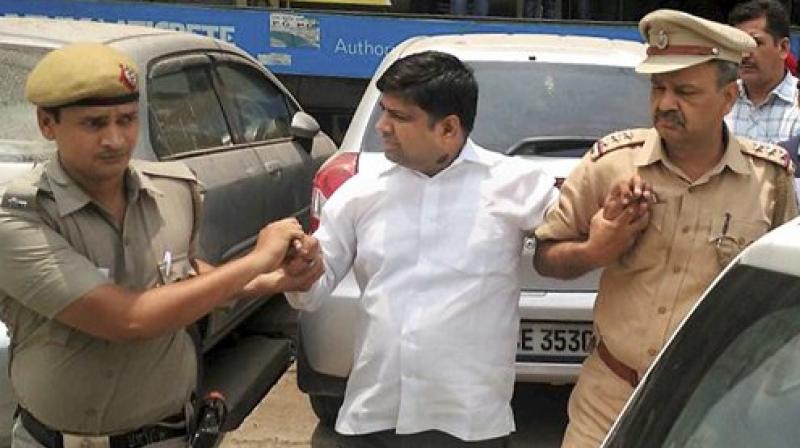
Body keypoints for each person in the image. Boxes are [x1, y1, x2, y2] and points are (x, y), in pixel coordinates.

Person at [0, 43, 321, 448]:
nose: (115, 139)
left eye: (127, 119)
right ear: (48, 124)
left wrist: (277, 280)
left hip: (166, 435)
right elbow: (127, 319)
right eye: (95, 124)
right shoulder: (21, 216)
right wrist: (257, 260)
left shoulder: (173, 191)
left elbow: (185, 276)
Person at [532, 9, 798, 447]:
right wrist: (594, 251)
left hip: (714, 407)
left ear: (728, 98)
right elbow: (546, 255)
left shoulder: (768, 180)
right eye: (658, 88)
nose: (665, 103)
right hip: (609, 400)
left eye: (685, 91)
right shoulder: (610, 164)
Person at [285, 50, 558, 447]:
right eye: (383, 112)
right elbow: (311, 292)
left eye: (399, 117)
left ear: (448, 128)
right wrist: (301, 268)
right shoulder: (360, 192)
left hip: (468, 423)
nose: (382, 127)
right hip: (372, 417)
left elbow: (576, 234)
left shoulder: (515, 185)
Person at [725, 0, 800, 143]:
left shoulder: (797, 104)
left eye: (755, 43)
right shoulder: (721, 100)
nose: (744, 55)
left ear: (783, 48)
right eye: (738, 45)